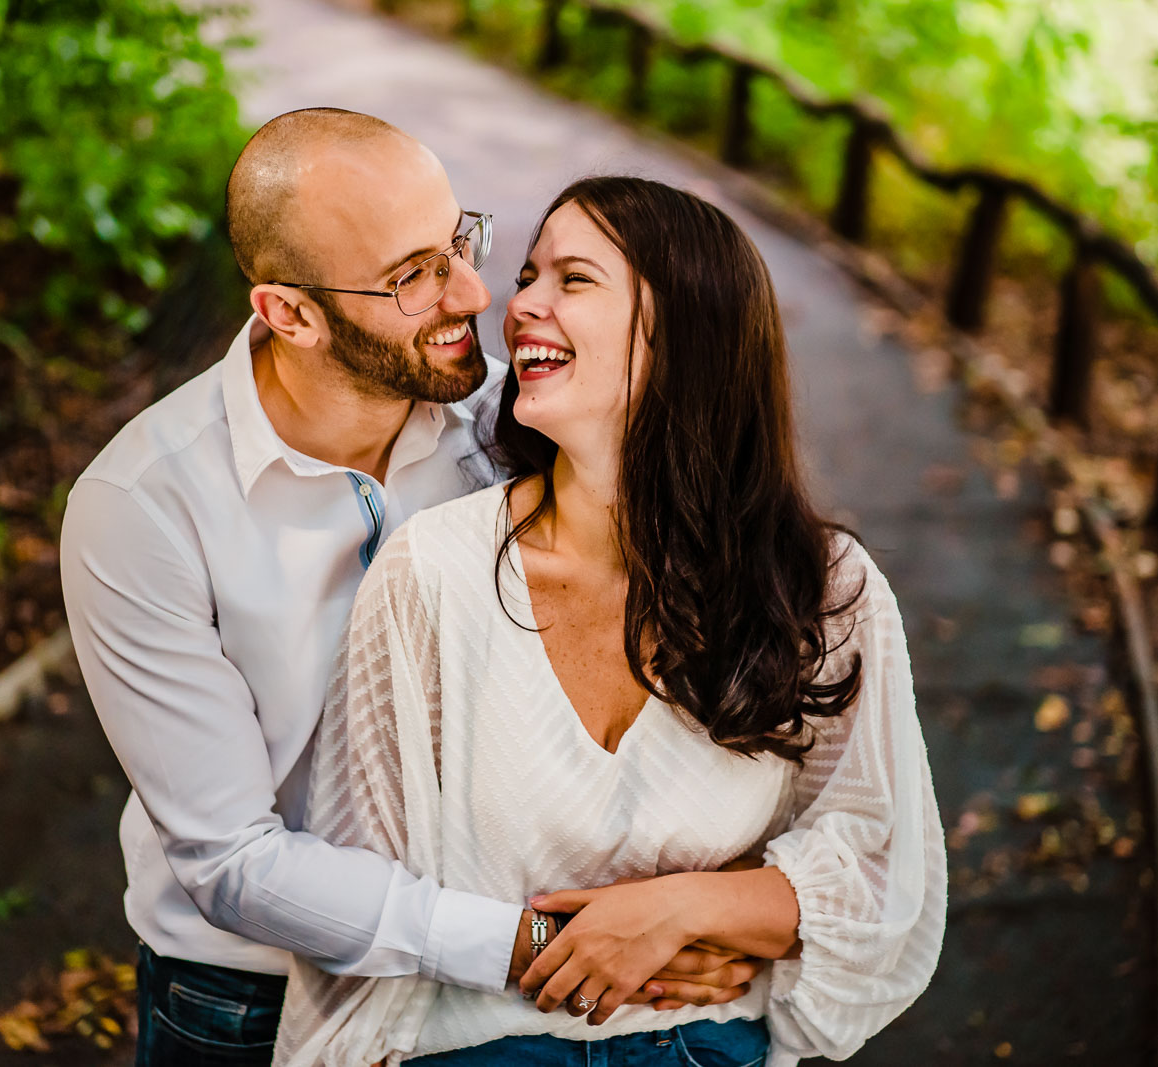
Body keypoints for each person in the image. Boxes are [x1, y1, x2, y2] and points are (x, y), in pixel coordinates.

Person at [60, 112, 752, 1066]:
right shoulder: (143, 507)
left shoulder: (527, 427)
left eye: (458, 242)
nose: (472, 292)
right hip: (248, 1002)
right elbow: (231, 859)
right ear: (289, 314)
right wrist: (543, 947)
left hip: (501, 1017)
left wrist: (701, 911)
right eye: (410, 276)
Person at [271, 176, 948, 1067]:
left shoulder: (819, 586)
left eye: (574, 280)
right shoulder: (432, 573)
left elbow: (880, 873)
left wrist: (680, 911)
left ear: (684, 334)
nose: (520, 306)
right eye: (528, 274)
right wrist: (576, 946)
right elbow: (363, 897)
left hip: (706, 1050)